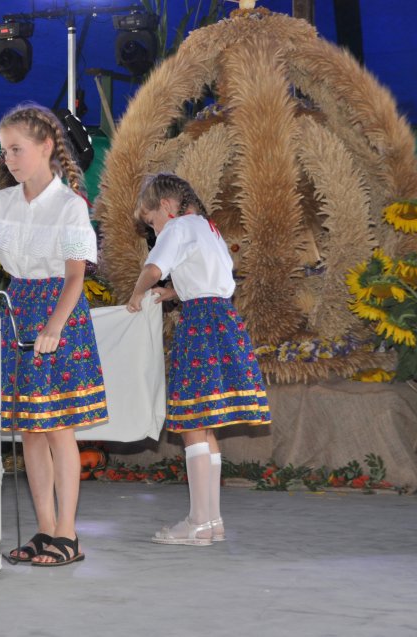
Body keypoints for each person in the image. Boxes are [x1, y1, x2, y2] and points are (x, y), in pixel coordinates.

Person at [0, 102, 108, 567]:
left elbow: (75, 277)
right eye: (4, 152)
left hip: (60, 311)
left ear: (46, 147)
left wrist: (54, 326)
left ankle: (68, 535)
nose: (9, 159)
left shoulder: (70, 206)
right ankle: (43, 529)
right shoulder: (2, 202)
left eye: (16, 150)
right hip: (20, 310)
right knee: (31, 431)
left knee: (58, 428)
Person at [126, 172, 271, 546]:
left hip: (200, 325)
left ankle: (196, 522)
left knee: (191, 420)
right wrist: (174, 292)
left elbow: (153, 268)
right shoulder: (209, 229)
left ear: (168, 207)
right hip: (223, 319)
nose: (155, 231)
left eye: (152, 221)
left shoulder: (177, 228)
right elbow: (211, 277)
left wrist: (136, 294)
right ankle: (213, 521)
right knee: (207, 425)